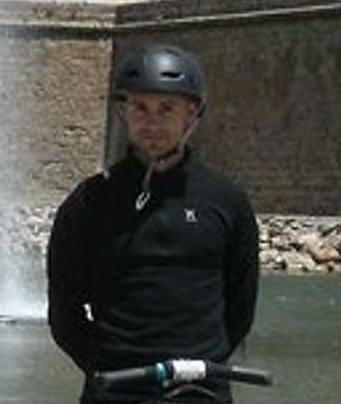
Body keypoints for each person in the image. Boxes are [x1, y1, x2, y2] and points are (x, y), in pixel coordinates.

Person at [46, 45, 260, 403]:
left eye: (166, 109)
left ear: (191, 114)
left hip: (201, 388)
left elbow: (241, 303)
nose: (152, 123)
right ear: (122, 112)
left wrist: (204, 360)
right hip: (116, 387)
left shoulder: (226, 201)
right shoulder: (90, 202)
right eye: (140, 109)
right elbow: (64, 308)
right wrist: (104, 367)